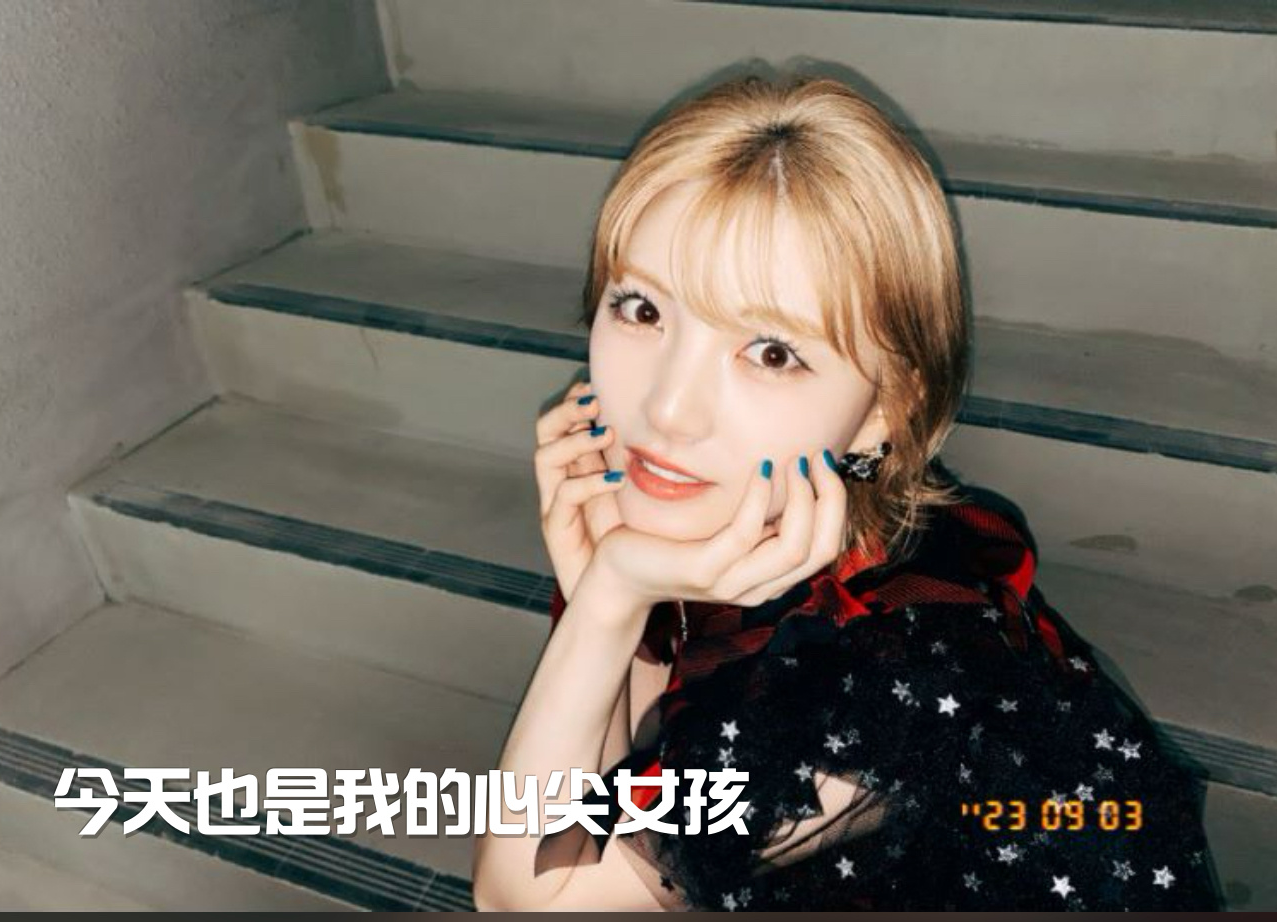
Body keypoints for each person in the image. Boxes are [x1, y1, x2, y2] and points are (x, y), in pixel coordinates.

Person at [471, 70, 1224, 911]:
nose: (668, 410)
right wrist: (611, 596)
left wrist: (608, 596)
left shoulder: (882, 687)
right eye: (642, 310)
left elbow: (526, 897)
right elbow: (600, 815)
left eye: (771, 353)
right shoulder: (746, 530)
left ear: (883, 413)